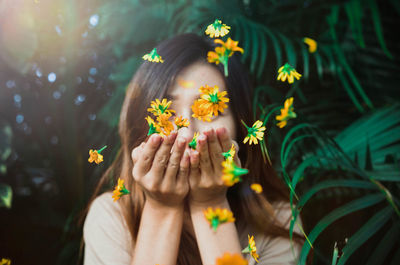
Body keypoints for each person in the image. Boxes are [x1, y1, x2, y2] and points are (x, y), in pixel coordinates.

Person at [83, 33, 303, 265]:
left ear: (240, 126)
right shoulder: (111, 217)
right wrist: (161, 208)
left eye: (209, 111)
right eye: (166, 113)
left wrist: (211, 204)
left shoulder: (278, 220)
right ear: (139, 129)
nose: (186, 133)